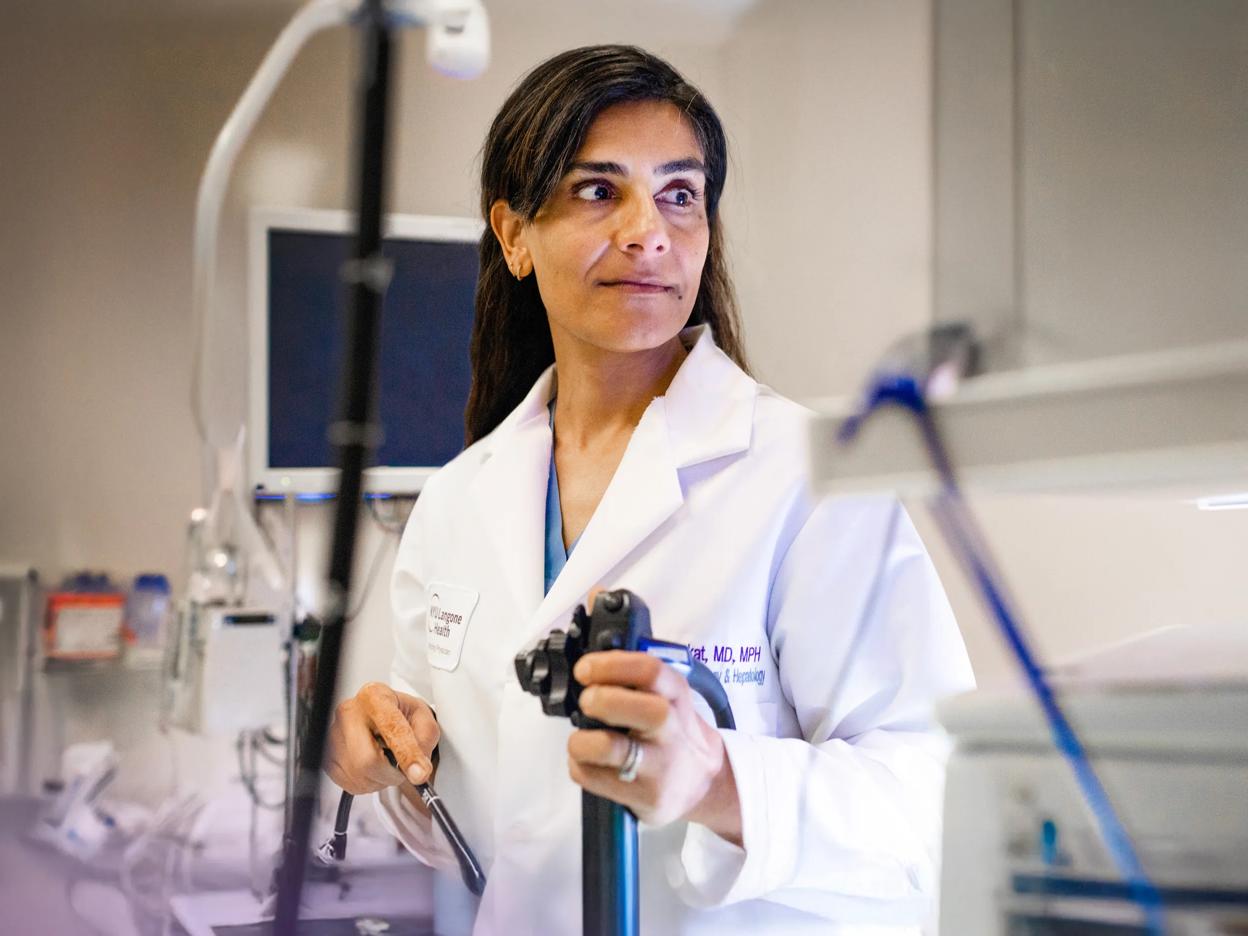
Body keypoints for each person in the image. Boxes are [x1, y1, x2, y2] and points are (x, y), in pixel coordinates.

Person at [326, 45, 975, 935]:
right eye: (600, 191)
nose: (649, 232)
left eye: (680, 194)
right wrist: (380, 758)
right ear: (513, 235)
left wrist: (716, 779)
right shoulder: (457, 501)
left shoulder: (811, 475)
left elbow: (936, 794)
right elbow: (476, 827)